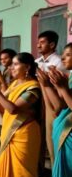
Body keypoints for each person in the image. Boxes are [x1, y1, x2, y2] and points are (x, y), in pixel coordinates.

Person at [0, 52, 41, 177]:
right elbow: (1, 108)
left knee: (22, 175)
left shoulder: (33, 88)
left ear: (27, 67)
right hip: (10, 133)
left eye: (15, 64)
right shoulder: (14, 84)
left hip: (24, 134)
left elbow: (13, 109)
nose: (11, 68)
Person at [37, 43, 72, 177]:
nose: (63, 58)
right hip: (64, 131)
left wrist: (62, 87)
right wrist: (46, 85)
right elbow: (58, 107)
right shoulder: (69, 77)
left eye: (68, 54)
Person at [35, 30, 63, 168]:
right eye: (38, 42)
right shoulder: (36, 62)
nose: (38, 45)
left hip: (53, 104)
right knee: (38, 138)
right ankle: (39, 168)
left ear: (52, 45)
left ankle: (55, 169)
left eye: (42, 42)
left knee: (52, 140)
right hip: (38, 103)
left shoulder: (58, 62)